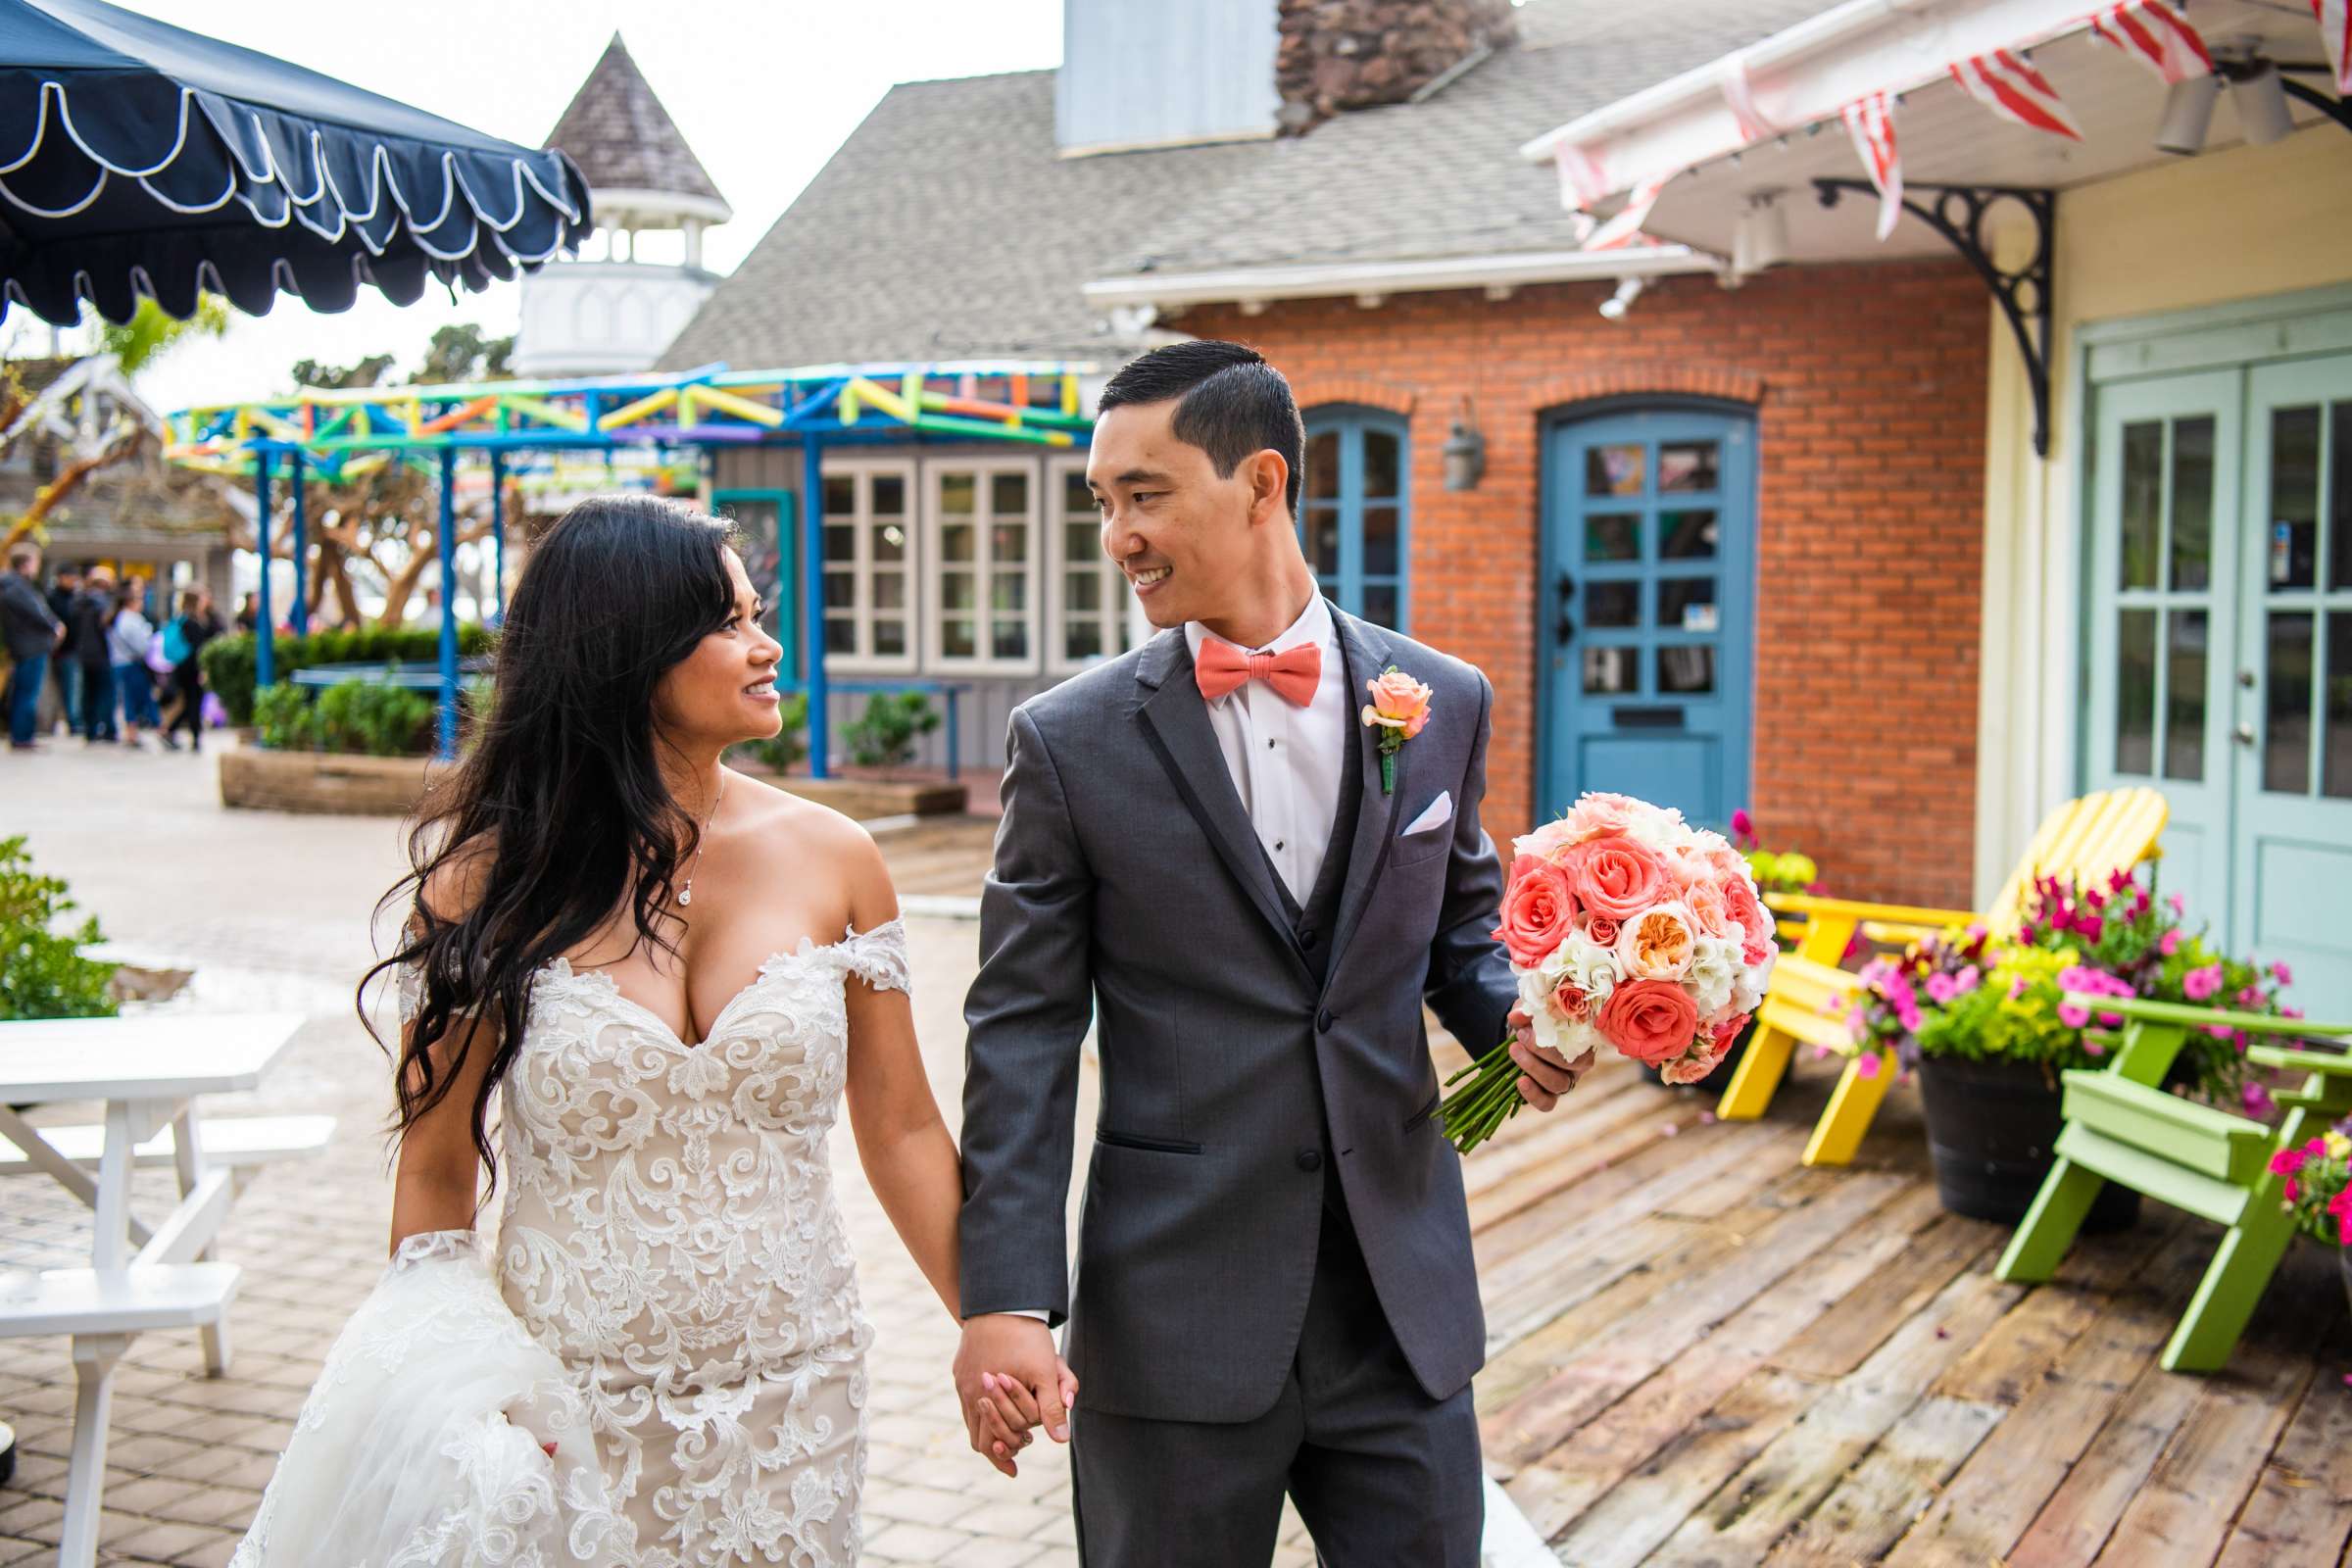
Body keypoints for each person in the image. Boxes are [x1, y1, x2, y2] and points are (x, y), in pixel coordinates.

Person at [229, 496, 1056, 1567]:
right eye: (730, 623)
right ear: (625, 648)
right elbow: (435, 1178)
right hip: (566, 1406)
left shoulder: (837, 856)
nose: (768, 648)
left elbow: (899, 1127)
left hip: (796, 1402)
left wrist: (988, 1325)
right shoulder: (489, 880)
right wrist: (468, 1394)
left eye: (758, 614)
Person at [953, 341, 1592, 1567]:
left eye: (1147, 494)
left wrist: (1528, 1016)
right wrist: (1006, 1296)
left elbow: (1464, 933)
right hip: (1174, 1309)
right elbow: (1022, 1030)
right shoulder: (1069, 744)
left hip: (1397, 1308)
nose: (1118, 536)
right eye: (1105, 502)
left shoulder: (1441, 696)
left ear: (1261, 484)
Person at [3, 545, 63, 751]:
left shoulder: (13, 585)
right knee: (27, 693)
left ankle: (22, 735)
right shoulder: (16, 586)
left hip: (25, 646)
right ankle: (22, 737)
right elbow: (37, 612)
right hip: (30, 647)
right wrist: (54, 626)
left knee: (24, 692)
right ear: (27, 563)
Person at [65, 566, 117, 743]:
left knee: (88, 693)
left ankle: (90, 729)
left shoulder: (78, 601)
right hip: (103, 654)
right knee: (105, 693)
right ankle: (107, 728)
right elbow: (108, 628)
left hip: (83, 653)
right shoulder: (103, 603)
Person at [162, 587, 217, 753]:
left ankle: (172, 731)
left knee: (189, 702)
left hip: (182, 667)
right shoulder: (192, 622)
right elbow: (199, 648)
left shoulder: (181, 619)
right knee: (194, 702)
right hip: (192, 668)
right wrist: (202, 670)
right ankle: (192, 737)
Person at [107, 578, 160, 747]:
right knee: (140, 698)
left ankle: (132, 732)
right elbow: (143, 645)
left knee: (128, 699)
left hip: (119, 663)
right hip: (132, 664)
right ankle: (155, 730)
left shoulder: (116, 619)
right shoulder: (130, 619)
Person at [44, 563, 80, 737]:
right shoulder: (53, 598)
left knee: (72, 688)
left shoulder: (75, 597)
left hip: (72, 650)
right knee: (67, 688)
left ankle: (73, 722)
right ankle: (71, 722)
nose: (73, 581)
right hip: (60, 651)